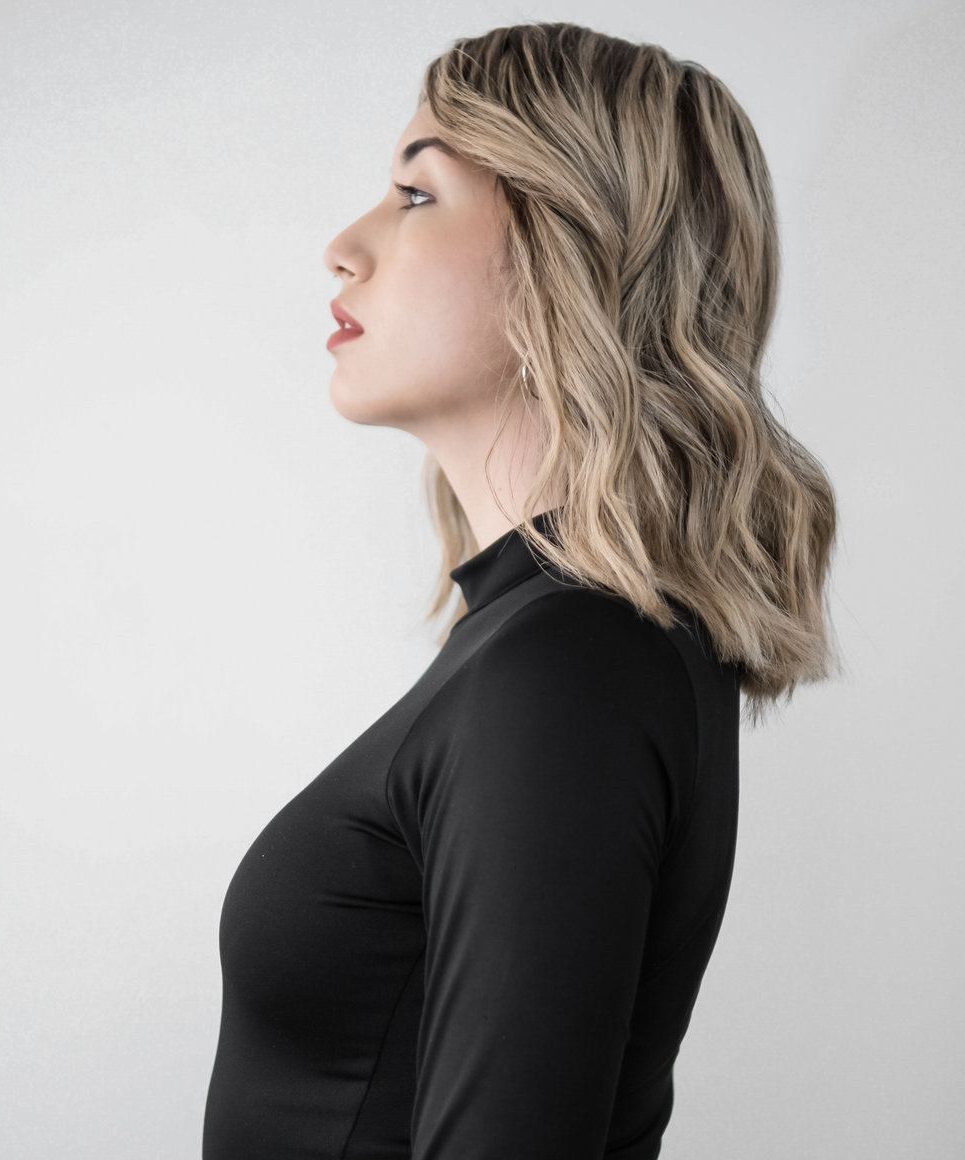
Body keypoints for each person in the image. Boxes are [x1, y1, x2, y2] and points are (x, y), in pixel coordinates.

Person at [202, 20, 838, 1159]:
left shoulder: (569, 668)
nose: (343, 247)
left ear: (569, 249)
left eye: (416, 195)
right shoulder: (545, 644)